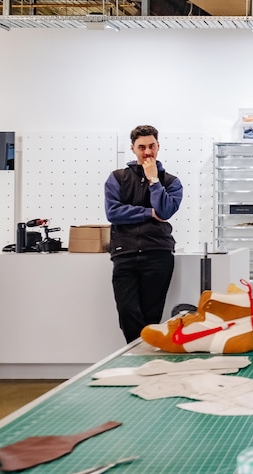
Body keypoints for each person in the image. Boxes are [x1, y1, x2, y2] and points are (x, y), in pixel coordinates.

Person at [105, 125, 183, 343]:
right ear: (133, 149)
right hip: (125, 253)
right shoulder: (117, 178)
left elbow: (166, 210)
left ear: (158, 146)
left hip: (158, 253)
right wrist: (149, 212)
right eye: (142, 147)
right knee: (127, 313)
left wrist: (154, 180)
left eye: (151, 146)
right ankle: (139, 355)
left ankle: (144, 361)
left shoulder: (170, 182)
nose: (147, 151)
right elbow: (113, 213)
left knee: (151, 316)